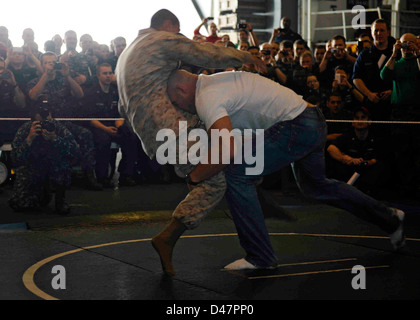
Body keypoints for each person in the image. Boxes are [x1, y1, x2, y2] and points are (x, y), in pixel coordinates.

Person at [166, 69, 405, 271]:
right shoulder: (217, 81)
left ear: (181, 90)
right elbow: (240, 136)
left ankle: (260, 256)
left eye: (176, 103)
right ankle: (390, 218)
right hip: (312, 118)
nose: (182, 109)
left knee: (236, 174)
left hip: (297, 125)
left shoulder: (206, 97)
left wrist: (195, 176)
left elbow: (226, 152)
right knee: (315, 186)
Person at [116, 8, 267, 276]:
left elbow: (121, 107)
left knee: (223, 148)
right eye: (177, 31)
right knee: (213, 181)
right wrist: (245, 56)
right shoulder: (161, 38)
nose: (178, 37)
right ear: (168, 26)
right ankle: (168, 237)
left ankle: (253, 193)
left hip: (153, 131)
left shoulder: (128, 52)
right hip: (171, 127)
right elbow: (205, 53)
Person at [27, 51, 102, 190]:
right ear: (41, 65)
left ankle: (88, 174)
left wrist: (67, 76)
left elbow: (80, 94)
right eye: (47, 63)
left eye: (53, 62)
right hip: (45, 124)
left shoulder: (63, 80)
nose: (50, 65)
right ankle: (49, 179)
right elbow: (32, 96)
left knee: (86, 134)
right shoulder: (35, 80)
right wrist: (45, 75)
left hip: (65, 122)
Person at [8, 106, 79, 214]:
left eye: (47, 120)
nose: (44, 124)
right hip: (33, 170)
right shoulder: (25, 129)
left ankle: (60, 200)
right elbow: (15, 159)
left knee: (63, 164)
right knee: (19, 204)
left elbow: (75, 153)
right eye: (40, 122)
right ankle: (39, 196)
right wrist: (29, 139)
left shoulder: (58, 128)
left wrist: (55, 139)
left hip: (54, 168)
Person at [83, 63, 138, 187]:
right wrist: (106, 129)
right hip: (97, 127)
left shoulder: (115, 92)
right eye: (105, 73)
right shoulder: (91, 93)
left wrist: (120, 126)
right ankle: (102, 177)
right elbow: (89, 118)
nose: (108, 76)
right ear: (98, 75)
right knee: (104, 140)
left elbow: (118, 114)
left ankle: (126, 174)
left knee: (131, 136)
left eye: (110, 73)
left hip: (112, 124)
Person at [380, 33, 420, 196]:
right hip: (399, 113)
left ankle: (417, 185)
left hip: (417, 112)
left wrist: (418, 54)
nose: (408, 46)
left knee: (417, 150)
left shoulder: (417, 61)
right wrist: (394, 53)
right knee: (400, 149)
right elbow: (384, 75)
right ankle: (404, 185)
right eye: (405, 43)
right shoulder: (397, 63)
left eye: (411, 43)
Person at [326, 107, 389, 196]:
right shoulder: (347, 136)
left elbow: (379, 157)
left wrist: (367, 162)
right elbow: (331, 148)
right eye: (357, 118)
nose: (360, 121)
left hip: (367, 173)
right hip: (350, 171)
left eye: (363, 117)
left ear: (369, 121)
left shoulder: (376, 138)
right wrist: (347, 159)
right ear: (352, 122)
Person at [353, 19, 396, 121]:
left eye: (382, 30)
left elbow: (402, 77)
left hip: (392, 104)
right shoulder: (364, 54)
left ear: (388, 32)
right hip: (370, 104)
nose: (379, 33)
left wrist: (393, 91)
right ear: (371, 33)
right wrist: (369, 94)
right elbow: (356, 78)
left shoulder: (396, 53)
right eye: (376, 30)